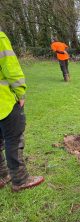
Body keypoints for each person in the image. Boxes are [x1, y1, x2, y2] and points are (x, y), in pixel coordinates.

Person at [0, 30, 44, 192]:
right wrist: (20, 91)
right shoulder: (0, 38)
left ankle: (2, 175)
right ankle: (20, 179)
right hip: (4, 100)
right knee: (14, 138)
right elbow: (10, 67)